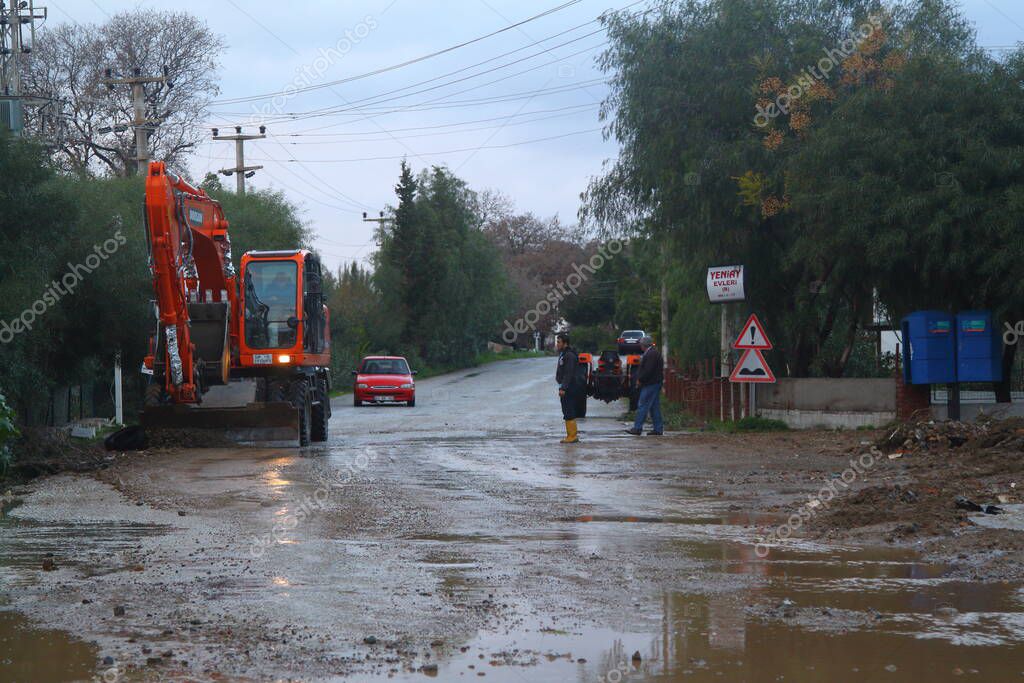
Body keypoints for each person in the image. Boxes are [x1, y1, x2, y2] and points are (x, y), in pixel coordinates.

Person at [626, 336, 664, 436]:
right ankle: (658, 429)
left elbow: (648, 370)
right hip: (654, 383)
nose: (640, 346)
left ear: (643, 345)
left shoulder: (651, 354)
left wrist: (640, 379)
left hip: (650, 384)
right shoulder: (653, 353)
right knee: (654, 407)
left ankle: (637, 428)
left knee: (642, 405)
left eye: (640, 344)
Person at [554, 332, 582, 443]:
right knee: (566, 409)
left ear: (565, 343)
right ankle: (570, 435)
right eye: (557, 342)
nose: (557, 344)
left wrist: (563, 388)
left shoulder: (569, 356)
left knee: (568, 409)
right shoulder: (564, 354)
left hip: (569, 387)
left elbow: (568, 373)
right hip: (566, 386)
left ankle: (572, 436)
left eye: (559, 342)